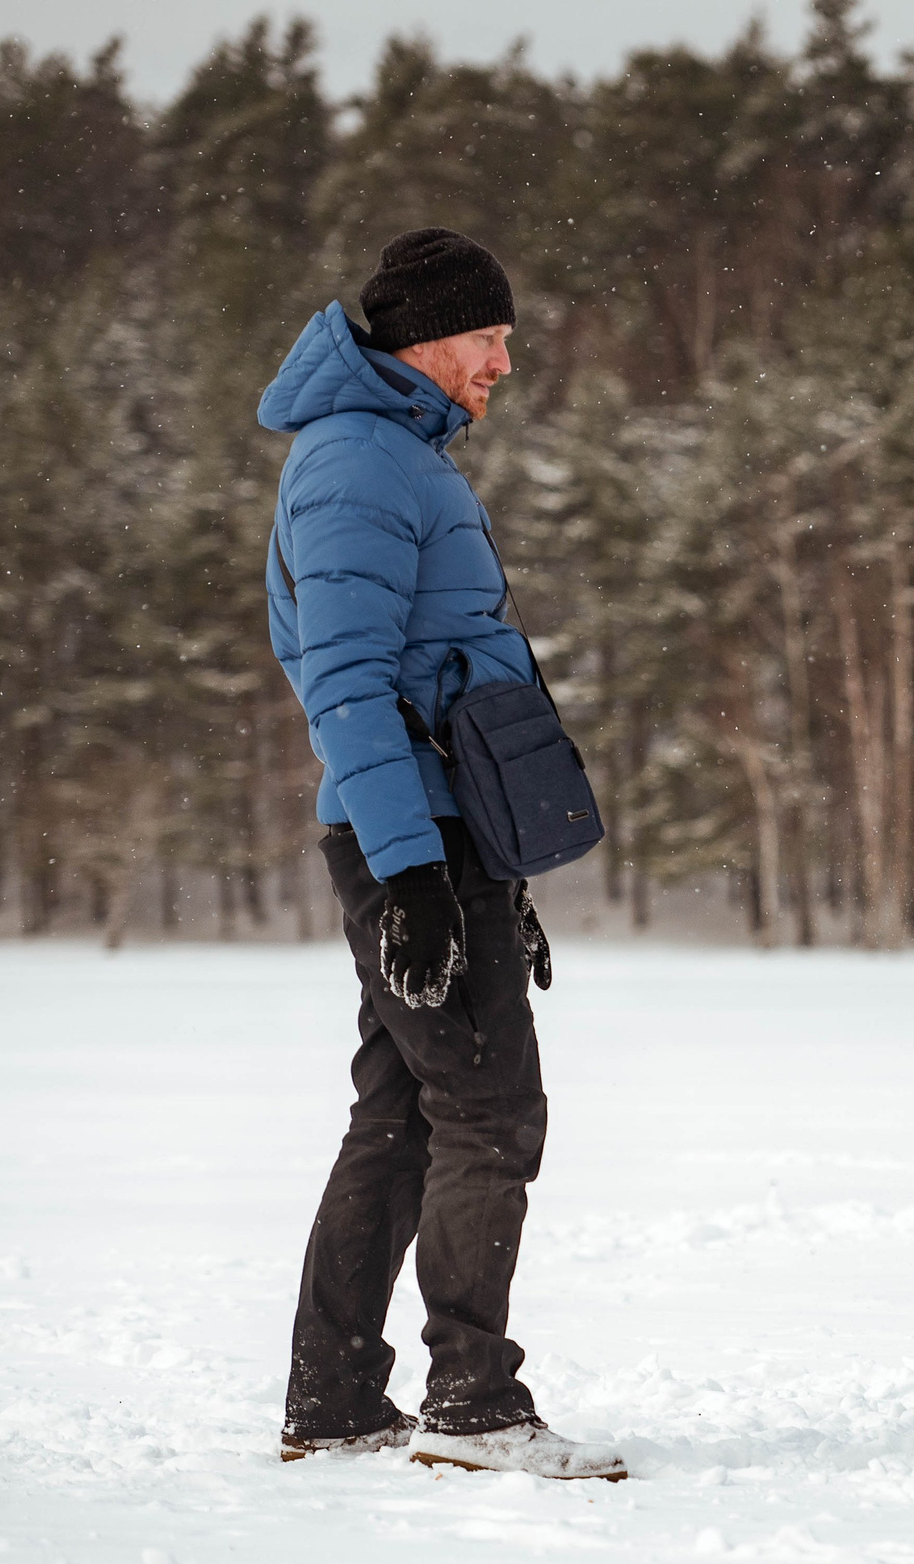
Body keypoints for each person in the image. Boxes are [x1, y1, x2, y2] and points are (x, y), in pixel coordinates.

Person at [259, 228, 622, 1480]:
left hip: (436, 828)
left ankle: (339, 1397)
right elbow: (348, 683)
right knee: (486, 1111)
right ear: (424, 337)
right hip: (411, 833)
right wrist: (416, 875)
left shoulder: (389, 458)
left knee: (404, 1113)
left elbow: (431, 673)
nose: (503, 365)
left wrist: (491, 868)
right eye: (488, 340)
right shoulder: (358, 466)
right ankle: (473, 1407)